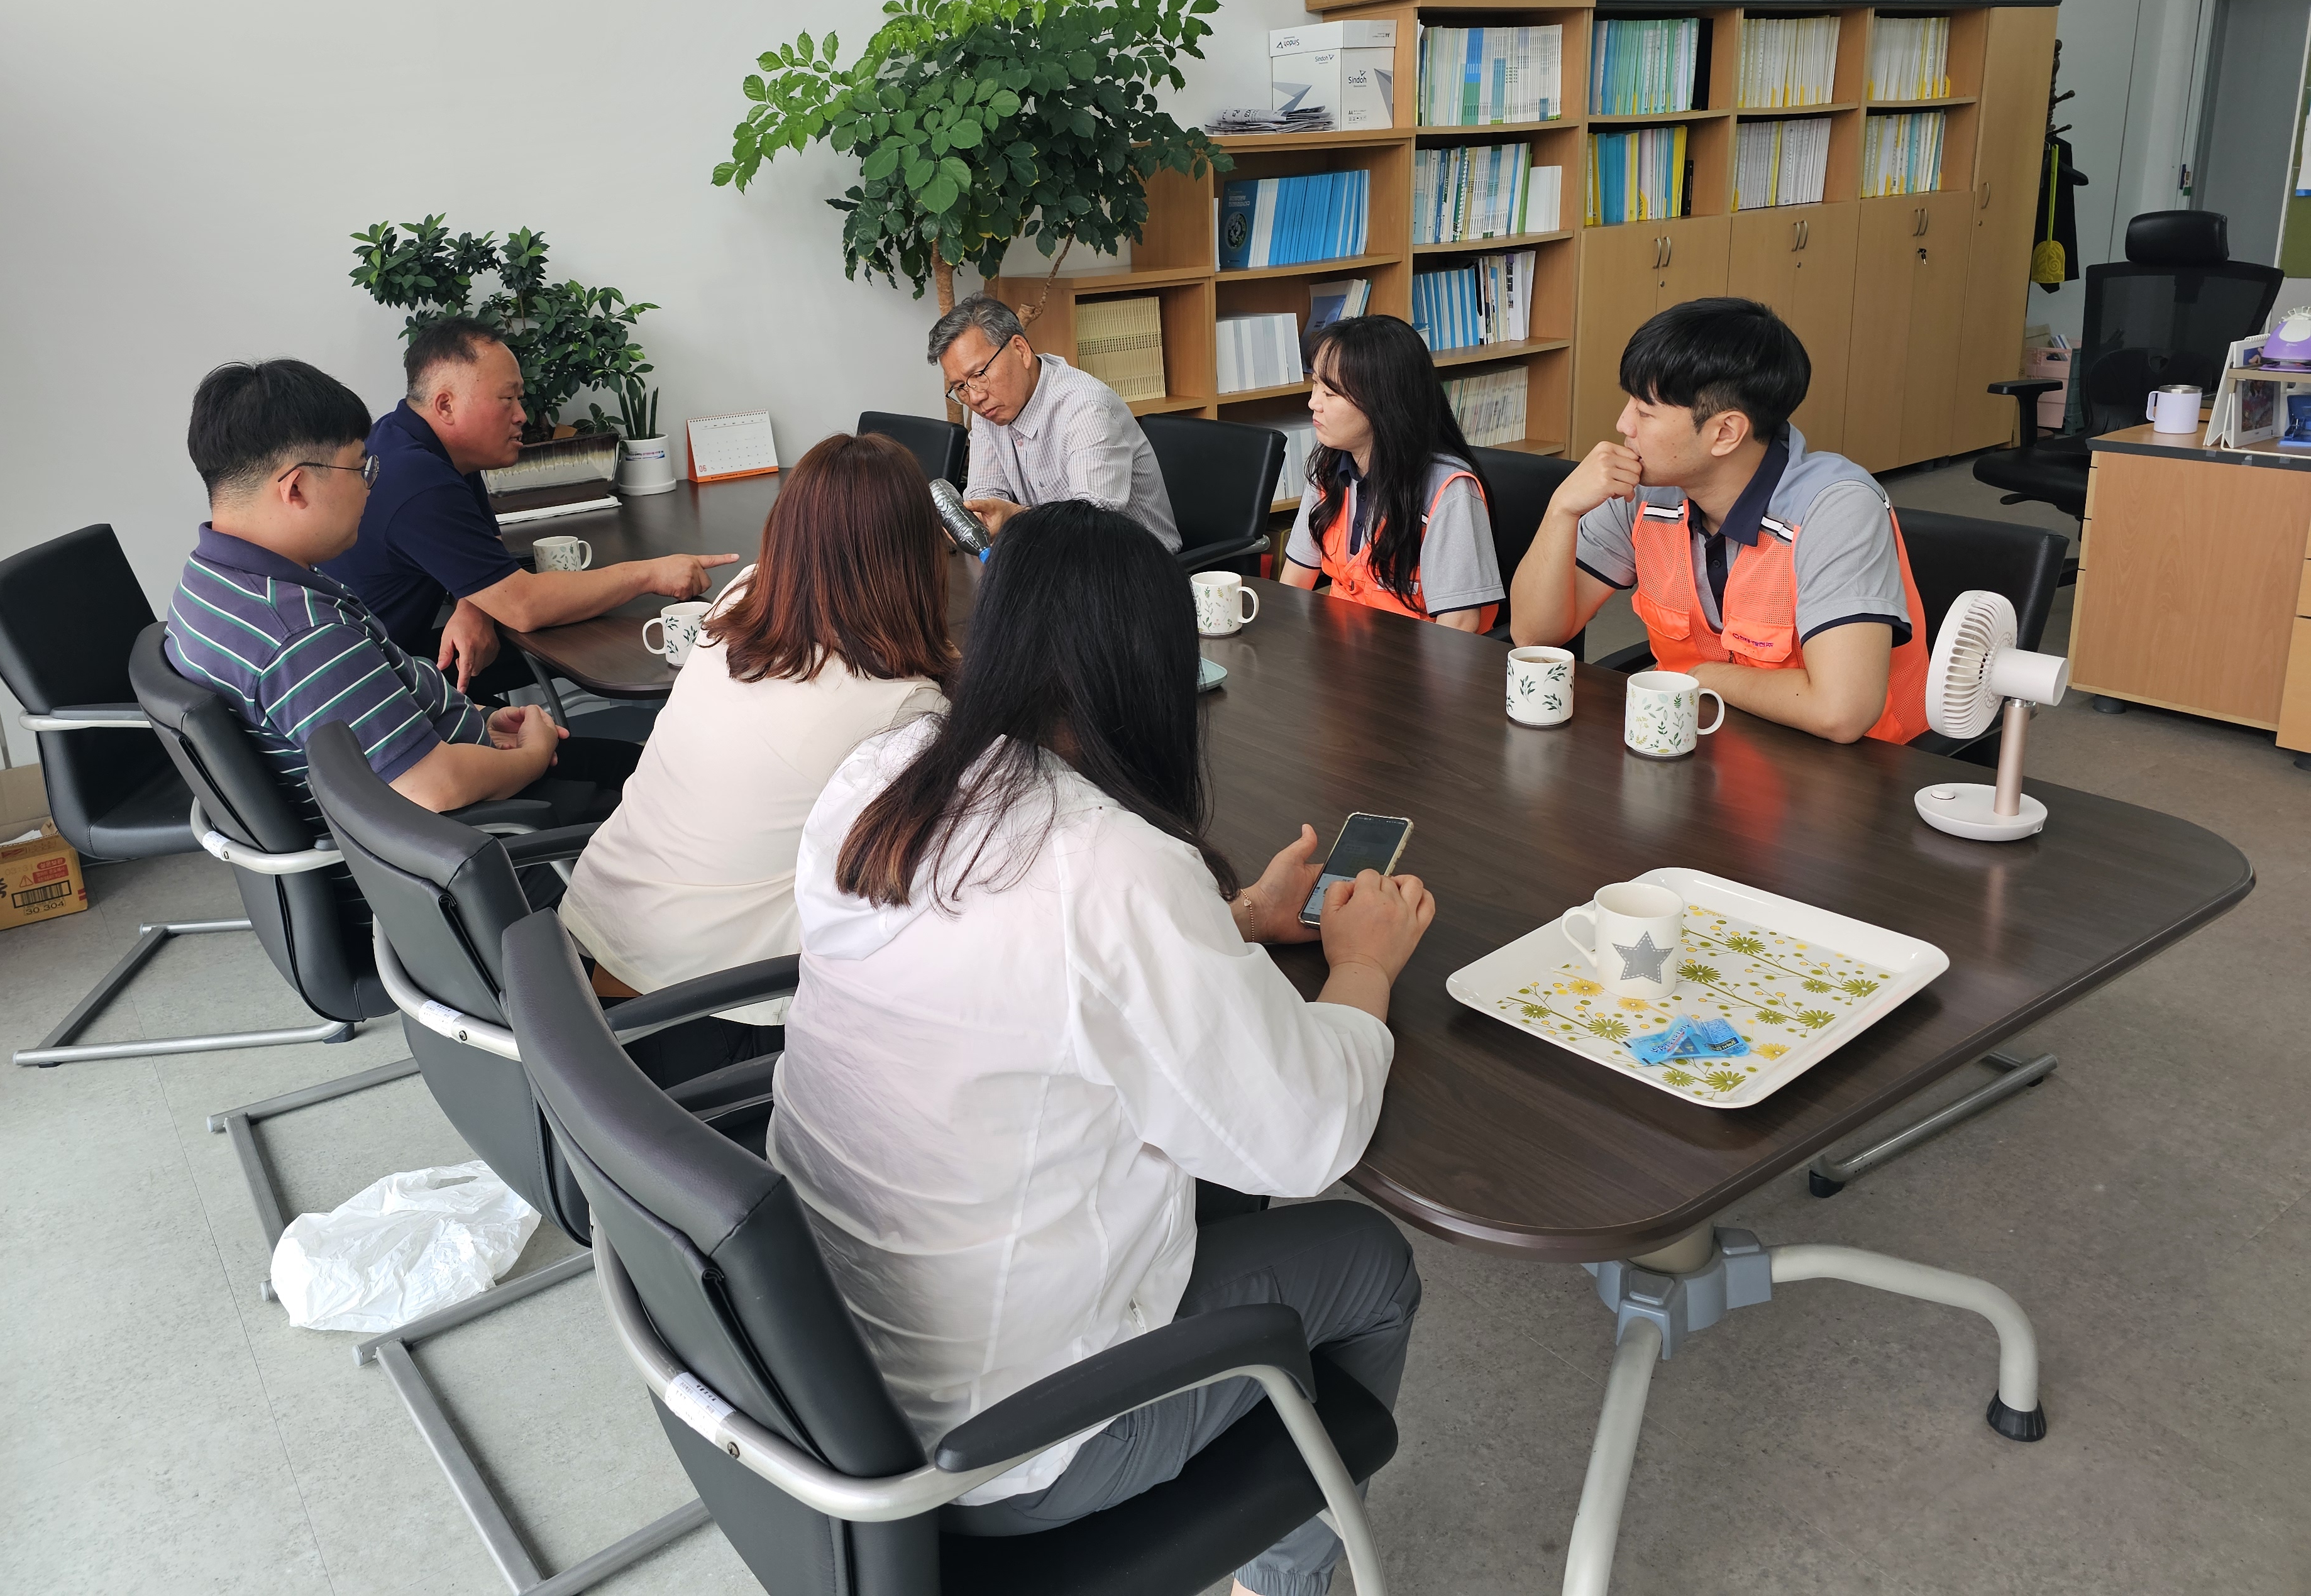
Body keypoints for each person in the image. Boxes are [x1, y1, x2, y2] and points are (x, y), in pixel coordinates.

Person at [769, 500, 1430, 1596]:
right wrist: (1364, 966)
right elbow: (1309, 1136)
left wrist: (1229, 923)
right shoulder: (1113, 865)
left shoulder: (884, 775)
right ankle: (1291, 1572)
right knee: (1368, 1260)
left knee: (1222, 1182)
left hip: (833, 1372)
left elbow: (1021, 977)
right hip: (1013, 1448)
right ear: (1151, 669)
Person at [558, 431, 956, 1021]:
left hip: (596, 946)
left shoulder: (742, 594)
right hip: (713, 1003)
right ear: (918, 554)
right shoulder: (903, 711)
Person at [165, 360, 641, 830]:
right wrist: (534, 755)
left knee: (627, 762)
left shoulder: (208, 581)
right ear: (297, 488)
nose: (370, 488)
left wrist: (476, 720)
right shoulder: (301, 635)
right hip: (471, 835)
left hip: (439, 767)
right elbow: (433, 787)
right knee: (654, 782)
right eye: (360, 469)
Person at [1508, 297, 1930, 744]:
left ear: (1725, 433)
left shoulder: (1835, 511)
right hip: (1700, 741)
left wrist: (1703, 677)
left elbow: (1841, 712)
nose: (1623, 424)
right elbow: (1534, 636)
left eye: (1645, 412)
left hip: (1851, 768)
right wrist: (1562, 509)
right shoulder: (1646, 490)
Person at [321, 315, 735, 696]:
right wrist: (652, 573)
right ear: (446, 405)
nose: (522, 415)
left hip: (391, 656)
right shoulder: (417, 478)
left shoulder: (420, 442)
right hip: (373, 690)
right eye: (508, 399)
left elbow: (488, 548)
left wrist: (474, 602)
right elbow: (524, 606)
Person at [1277, 312, 1504, 632]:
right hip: (1338, 652)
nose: (1314, 403)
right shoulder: (1328, 467)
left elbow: (1460, 624)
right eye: (1316, 384)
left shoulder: (1449, 490)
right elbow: (1294, 583)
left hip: (1416, 659)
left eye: (1331, 393)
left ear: (1384, 402)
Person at [929, 294, 1181, 551]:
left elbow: (1093, 528)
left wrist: (1016, 518)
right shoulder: (990, 408)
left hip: (1132, 563)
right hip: (1050, 558)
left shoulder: (1086, 408)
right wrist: (979, 518)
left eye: (979, 374)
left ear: (1021, 351)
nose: (975, 397)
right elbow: (986, 498)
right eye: (960, 387)